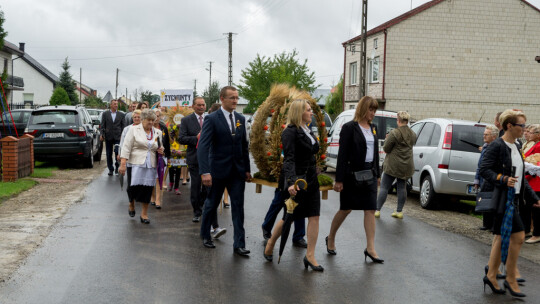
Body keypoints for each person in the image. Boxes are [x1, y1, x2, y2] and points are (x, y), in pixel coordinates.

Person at [479, 109, 540, 297]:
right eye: (521, 125)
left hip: (514, 198)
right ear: (509, 126)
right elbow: (484, 169)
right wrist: (502, 178)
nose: (524, 129)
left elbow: (520, 177)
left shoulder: (517, 145)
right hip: (503, 199)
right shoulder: (497, 145)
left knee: (500, 236)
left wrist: (534, 198)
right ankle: (510, 276)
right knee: (519, 235)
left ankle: (492, 273)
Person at [263, 99, 323, 271]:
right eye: (309, 110)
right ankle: (271, 243)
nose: (311, 113)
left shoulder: (308, 130)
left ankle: (310, 256)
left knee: (314, 215)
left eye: (311, 110)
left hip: (311, 178)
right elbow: (288, 159)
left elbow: (313, 151)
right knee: (289, 217)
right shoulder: (289, 132)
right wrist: (290, 182)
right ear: (299, 112)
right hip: (297, 180)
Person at [326, 96, 383, 264]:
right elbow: (342, 155)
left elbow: (375, 153)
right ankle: (331, 238)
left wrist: (378, 174)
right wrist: (339, 180)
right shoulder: (349, 127)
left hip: (370, 175)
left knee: (370, 210)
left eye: (374, 110)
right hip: (352, 175)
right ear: (362, 109)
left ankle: (370, 248)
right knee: (346, 209)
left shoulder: (373, 128)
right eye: (370, 110)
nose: (372, 113)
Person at [197, 86, 251, 255]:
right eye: (232, 98)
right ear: (222, 98)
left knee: (238, 207)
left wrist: (247, 170)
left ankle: (239, 244)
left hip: (237, 172)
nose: (235, 101)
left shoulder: (240, 118)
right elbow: (203, 147)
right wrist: (205, 172)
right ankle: (206, 235)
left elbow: (244, 146)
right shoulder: (212, 119)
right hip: (217, 171)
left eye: (236, 97)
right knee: (211, 204)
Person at [179, 97, 226, 239]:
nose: (201, 107)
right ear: (193, 106)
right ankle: (197, 211)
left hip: (210, 159)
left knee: (209, 188)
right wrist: (197, 138)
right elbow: (181, 138)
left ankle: (209, 214)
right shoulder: (186, 120)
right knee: (196, 186)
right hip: (194, 158)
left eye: (203, 105)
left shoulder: (211, 118)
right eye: (198, 105)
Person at [118, 109, 165, 224]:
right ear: (143, 119)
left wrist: (161, 150)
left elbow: (160, 147)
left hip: (150, 164)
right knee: (132, 187)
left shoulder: (157, 132)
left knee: (147, 189)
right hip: (134, 163)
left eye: (152, 120)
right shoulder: (133, 130)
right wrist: (123, 163)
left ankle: (144, 213)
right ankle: (131, 203)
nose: (150, 123)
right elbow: (126, 146)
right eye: (148, 120)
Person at [375, 111, 415, 219]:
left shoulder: (394, 133)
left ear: (398, 120)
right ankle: (399, 211)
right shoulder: (413, 134)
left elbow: (386, 148)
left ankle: (377, 210)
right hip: (406, 165)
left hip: (392, 165)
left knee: (384, 187)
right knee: (402, 187)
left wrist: (388, 138)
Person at [474, 125, 499, 230]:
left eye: (486, 134)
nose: (484, 136)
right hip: (484, 178)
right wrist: (477, 179)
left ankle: (493, 225)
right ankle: (486, 224)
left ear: (493, 136)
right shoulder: (485, 147)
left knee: (492, 200)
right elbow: (480, 165)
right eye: (484, 134)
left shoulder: (496, 147)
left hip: (492, 178)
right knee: (484, 198)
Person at [117, 110, 142, 217]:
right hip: (130, 159)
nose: (136, 119)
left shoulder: (145, 129)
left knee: (140, 184)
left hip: (142, 160)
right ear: (132, 118)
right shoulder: (127, 129)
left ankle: (139, 200)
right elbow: (122, 143)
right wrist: (121, 155)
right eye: (135, 117)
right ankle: (131, 202)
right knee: (131, 183)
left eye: (138, 117)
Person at [150, 109, 171, 209]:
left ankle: (158, 199)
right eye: (155, 116)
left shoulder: (163, 127)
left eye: (158, 116)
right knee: (151, 178)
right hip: (150, 156)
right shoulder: (147, 128)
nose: (156, 118)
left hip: (161, 156)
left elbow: (167, 143)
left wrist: (168, 156)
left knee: (159, 178)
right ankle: (152, 196)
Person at [524, 124, 540, 243]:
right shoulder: (534, 144)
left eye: (531, 132)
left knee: (536, 209)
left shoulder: (539, 146)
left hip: (536, 181)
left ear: (538, 135)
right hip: (531, 179)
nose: (528, 134)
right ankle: (528, 230)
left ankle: (537, 234)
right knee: (529, 208)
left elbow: (536, 163)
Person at [100, 100, 126, 176]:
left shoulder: (121, 114)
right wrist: (102, 134)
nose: (116, 105)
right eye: (114, 104)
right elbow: (102, 125)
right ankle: (110, 169)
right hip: (108, 136)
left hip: (118, 136)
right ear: (111, 105)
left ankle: (117, 167)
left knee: (117, 152)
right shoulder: (105, 114)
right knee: (108, 153)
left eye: (117, 104)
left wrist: (122, 135)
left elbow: (123, 126)